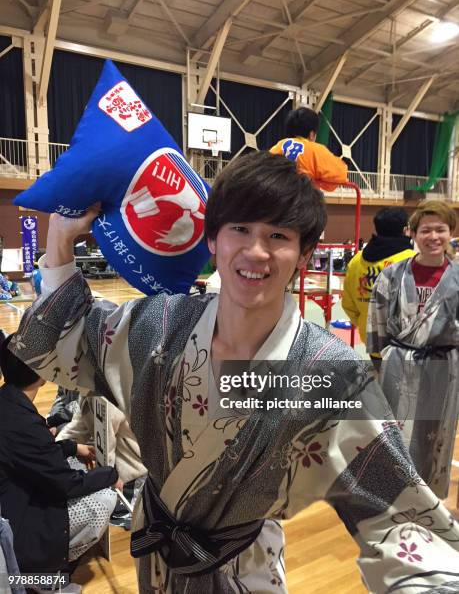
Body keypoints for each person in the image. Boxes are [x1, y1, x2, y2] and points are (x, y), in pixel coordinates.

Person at [10, 152, 459, 593]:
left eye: (278, 235)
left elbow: (398, 516)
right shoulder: (157, 327)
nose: (256, 251)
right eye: (239, 229)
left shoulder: (327, 372)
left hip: (242, 571)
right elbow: (56, 346)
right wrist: (61, 239)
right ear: (212, 240)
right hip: (157, 562)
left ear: (304, 254)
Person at [0, 334, 121, 574]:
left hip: (11, 497)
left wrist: (72, 447)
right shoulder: (24, 422)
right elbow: (65, 484)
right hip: (18, 527)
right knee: (105, 499)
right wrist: (112, 474)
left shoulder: (8, 400)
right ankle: (43, 575)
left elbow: (34, 452)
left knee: (74, 461)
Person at [367, 200, 459, 500]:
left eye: (440, 230)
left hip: (442, 367)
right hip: (398, 364)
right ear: (413, 234)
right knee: (394, 432)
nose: (433, 237)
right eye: (426, 230)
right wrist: (376, 361)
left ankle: (429, 500)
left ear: (450, 233)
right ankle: (393, 496)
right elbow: (377, 319)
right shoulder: (392, 275)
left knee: (434, 435)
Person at [342, 207, 415, 370]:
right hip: (406, 347)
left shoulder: (357, 260)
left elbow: (348, 304)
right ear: (405, 230)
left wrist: (365, 323)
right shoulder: (412, 261)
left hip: (374, 343)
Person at [269, 107, 347, 191]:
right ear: (312, 134)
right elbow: (340, 175)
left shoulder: (278, 146)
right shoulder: (315, 150)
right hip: (301, 200)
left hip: (274, 198)